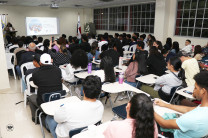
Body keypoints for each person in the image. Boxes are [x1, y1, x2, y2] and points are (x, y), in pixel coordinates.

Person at [154, 71, 208, 138]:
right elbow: (187, 109)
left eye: (195, 88)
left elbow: (163, 123)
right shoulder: (204, 108)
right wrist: (166, 105)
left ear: (203, 91)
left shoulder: (193, 117)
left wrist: (151, 110)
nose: (193, 91)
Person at [28, 53, 62, 122]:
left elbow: (36, 83)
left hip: (43, 101)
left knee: (31, 97)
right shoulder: (58, 70)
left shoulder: (36, 73)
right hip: (58, 99)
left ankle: (36, 119)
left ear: (40, 62)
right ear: (51, 61)